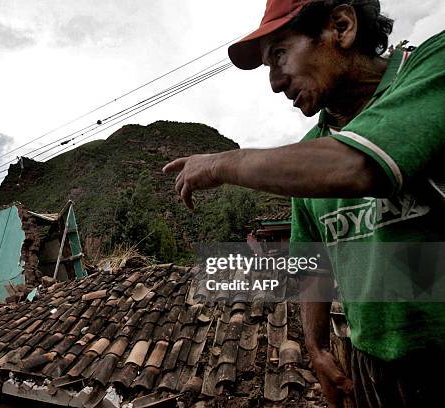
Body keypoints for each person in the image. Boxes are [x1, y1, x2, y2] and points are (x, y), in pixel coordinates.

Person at [163, 0, 445, 406]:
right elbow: (313, 261)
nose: (276, 83)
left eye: (280, 54)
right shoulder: (310, 156)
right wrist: (316, 348)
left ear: (342, 27)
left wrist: (225, 163)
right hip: (373, 364)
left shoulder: (432, 69)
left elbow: (360, 166)